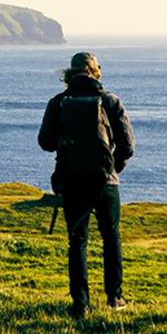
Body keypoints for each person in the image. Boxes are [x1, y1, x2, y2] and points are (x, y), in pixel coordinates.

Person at [38, 52, 135, 319]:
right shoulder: (110, 101)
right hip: (106, 181)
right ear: (95, 72)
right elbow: (128, 146)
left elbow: (45, 142)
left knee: (77, 241)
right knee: (111, 238)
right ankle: (115, 297)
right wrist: (113, 168)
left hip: (72, 181)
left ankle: (80, 303)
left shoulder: (58, 103)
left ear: (70, 73)